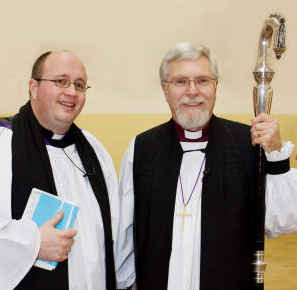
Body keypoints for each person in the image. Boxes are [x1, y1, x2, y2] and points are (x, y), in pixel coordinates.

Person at [0, 51, 133, 290]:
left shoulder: (94, 152)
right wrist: (31, 244)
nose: (71, 92)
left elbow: (114, 236)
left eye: (79, 84)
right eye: (60, 81)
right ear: (33, 87)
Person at [118, 42, 297, 290]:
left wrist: (276, 154)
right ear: (164, 89)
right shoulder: (142, 148)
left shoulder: (248, 144)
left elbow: (282, 222)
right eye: (180, 82)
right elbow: (125, 233)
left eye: (202, 80)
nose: (193, 91)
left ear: (215, 87)